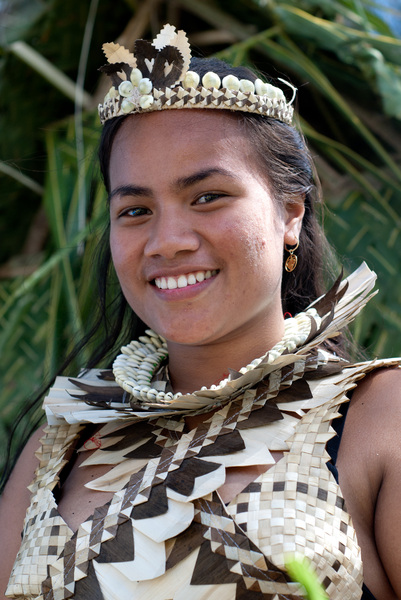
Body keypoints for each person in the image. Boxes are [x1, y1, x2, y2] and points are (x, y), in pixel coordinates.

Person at [1, 23, 401, 600]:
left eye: (207, 197)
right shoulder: (57, 447)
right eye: (135, 209)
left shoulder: (378, 417)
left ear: (290, 213)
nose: (167, 241)